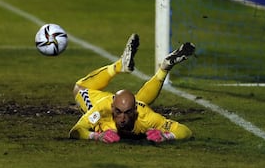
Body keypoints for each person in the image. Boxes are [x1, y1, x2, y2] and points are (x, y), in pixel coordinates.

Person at [68, 33, 196, 143]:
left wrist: (166, 136)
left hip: (127, 103)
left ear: (135, 110)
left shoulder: (145, 115)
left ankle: (120, 65)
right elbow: (76, 131)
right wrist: (96, 136)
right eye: (118, 112)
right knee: (80, 88)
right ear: (112, 108)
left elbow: (186, 131)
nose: (122, 118)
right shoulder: (101, 110)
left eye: (128, 113)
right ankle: (161, 69)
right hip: (101, 100)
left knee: (79, 87)